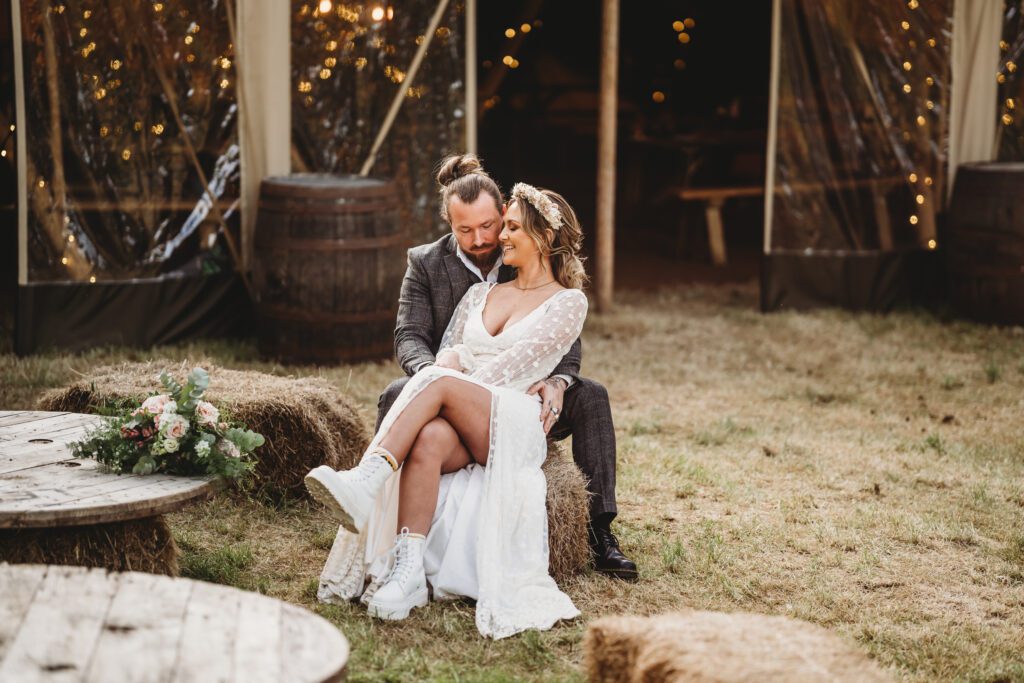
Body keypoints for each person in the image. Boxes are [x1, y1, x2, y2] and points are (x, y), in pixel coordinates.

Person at [307, 178, 591, 638]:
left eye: (512, 227)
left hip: (513, 420)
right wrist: (444, 386)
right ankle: (409, 573)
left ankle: (367, 479)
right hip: (463, 418)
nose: (500, 237)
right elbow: (449, 354)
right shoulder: (483, 293)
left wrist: (445, 388)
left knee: (436, 382)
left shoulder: (567, 303)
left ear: (543, 237)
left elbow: (507, 371)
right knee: (429, 438)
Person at [375, 155, 636, 580]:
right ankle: (387, 506)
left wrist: (558, 380)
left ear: (502, 214)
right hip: (450, 377)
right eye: (464, 230)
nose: (480, 239)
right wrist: (436, 379)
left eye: (488, 227)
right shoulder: (425, 263)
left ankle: (600, 531)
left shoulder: (522, 250)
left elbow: (560, 334)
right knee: (393, 394)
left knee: (591, 395)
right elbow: (409, 336)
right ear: (449, 223)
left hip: (525, 391)